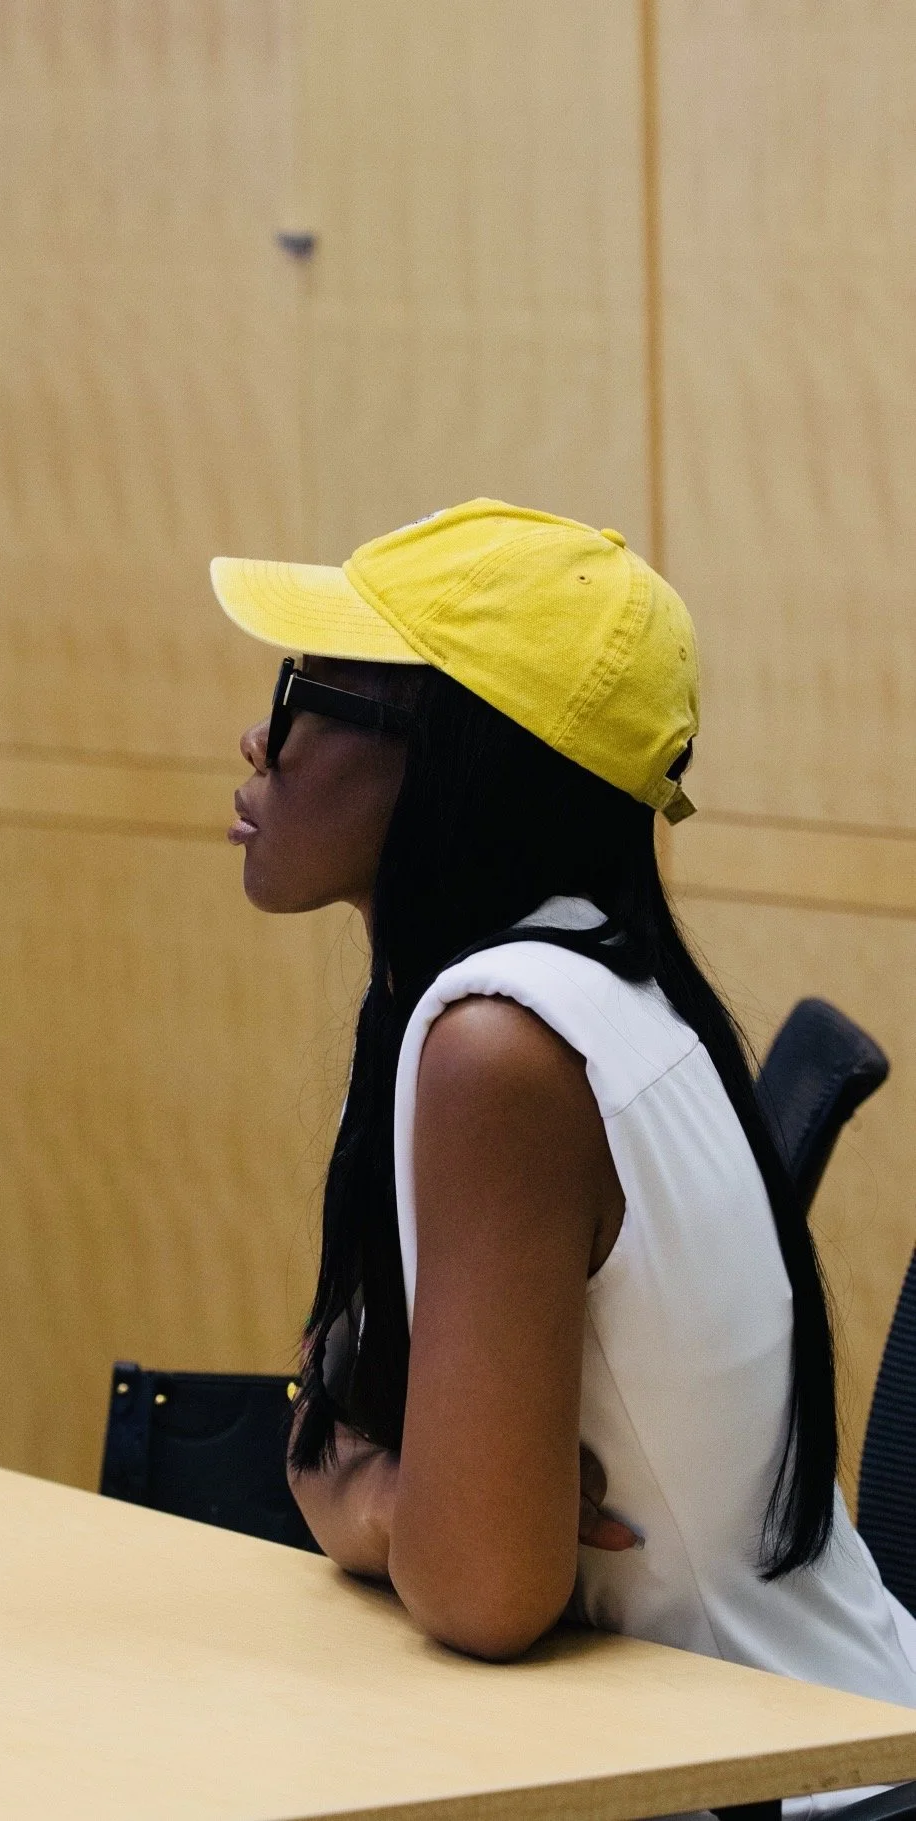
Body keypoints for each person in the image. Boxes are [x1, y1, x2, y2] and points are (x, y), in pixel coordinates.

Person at [209, 502, 916, 1726]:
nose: (258, 742)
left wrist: (375, 1495)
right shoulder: (550, 992)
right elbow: (350, 1410)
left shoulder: (506, 1051)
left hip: (782, 1779)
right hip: (707, 1739)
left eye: (303, 693)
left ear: (445, 762)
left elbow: (483, 1587)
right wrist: (396, 1481)